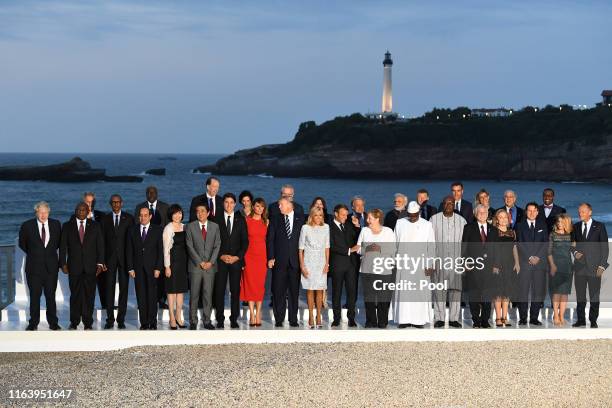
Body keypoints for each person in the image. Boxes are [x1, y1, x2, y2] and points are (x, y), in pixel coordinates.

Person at [59, 202, 105, 330]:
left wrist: (100, 263)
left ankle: (88, 323)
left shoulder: (96, 226)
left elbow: (100, 246)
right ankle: (74, 322)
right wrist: (63, 263)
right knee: (75, 295)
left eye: (83, 210)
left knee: (89, 296)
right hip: (74, 267)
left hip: (91, 267)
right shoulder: (67, 226)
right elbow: (63, 247)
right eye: (78, 210)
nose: (81, 212)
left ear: (87, 211)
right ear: (75, 211)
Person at [18, 201, 62, 331]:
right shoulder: (27, 225)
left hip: (51, 268)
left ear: (49, 212)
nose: (43, 215)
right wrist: (35, 253)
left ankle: (53, 323)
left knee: (50, 296)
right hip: (34, 268)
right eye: (40, 212)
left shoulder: (56, 224)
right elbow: (22, 243)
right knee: (34, 297)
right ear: (36, 212)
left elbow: (59, 243)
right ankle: (33, 323)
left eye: (45, 212)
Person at [393, 201, 436, 328]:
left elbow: (431, 246)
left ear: (419, 213)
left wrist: (430, 264)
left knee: (420, 292)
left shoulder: (427, 225)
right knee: (404, 291)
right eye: (410, 215)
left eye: (415, 215)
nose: (412, 217)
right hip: (404, 264)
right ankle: (403, 319)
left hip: (421, 264)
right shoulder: (400, 223)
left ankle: (419, 320)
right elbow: (395, 243)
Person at [266, 198, 305, 327]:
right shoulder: (275, 219)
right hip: (279, 261)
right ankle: (279, 318)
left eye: (281, 205)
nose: (279, 207)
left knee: (294, 292)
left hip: (295, 261)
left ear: (289, 205)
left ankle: (293, 319)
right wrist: (271, 257)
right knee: (278, 291)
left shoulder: (301, 219)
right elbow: (270, 240)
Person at [429, 196, 466, 328]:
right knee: (440, 289)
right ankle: (439, 318)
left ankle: (454, 319)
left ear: (454, 205)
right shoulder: (434, 219)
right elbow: (430, 241)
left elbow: (465, 242)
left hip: (457, 261)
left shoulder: (462, 221)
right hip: (439, 260)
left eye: (451, 203)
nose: (449, 205)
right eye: (446, 203)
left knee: (456, 290)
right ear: (442, 204)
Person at [355, 209, 395, 328]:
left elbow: (392, 250)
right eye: (367, 218)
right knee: (369, 296)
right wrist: (368, 249)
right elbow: (358, 248)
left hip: (384, 269)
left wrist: (378, 248)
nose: (367, 221)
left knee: (383, 296)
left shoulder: (388, 231)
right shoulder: (364, 231)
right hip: (367, 269)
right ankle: (370, 321)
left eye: (370, 219)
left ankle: (383, 321)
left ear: (377, 219)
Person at [572, 203, 609, 328]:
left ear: (590, 212)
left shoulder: (599, 226)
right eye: (579, 211)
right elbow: (573, 245)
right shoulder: (576, 227)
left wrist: (602, 266)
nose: (580, 214)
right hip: (580, 268)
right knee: (580, 295)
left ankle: (593, 320)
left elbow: (605, 247)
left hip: (595, 268)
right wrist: (575, 252)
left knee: (594, 295)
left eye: (583, 211)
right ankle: (581, 320)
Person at [215, 193, 249, 329]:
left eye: (231, 202)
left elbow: (245, 242)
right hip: (221, 260)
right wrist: (221, 255)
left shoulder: (241, 220)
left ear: (235, 204)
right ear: (223, 204)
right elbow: (213, 241)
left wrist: (237, 257)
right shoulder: (216, 219)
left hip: (236, 261)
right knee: (219, 291)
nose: (229, 205)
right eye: (226, 202)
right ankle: (220, 319)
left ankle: (234, 319)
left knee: (235, 291)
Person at [126, 207, 164, 330]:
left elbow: (160, 251)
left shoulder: (158, 230)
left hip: (153, 269)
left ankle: (153, 322)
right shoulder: (133, 230)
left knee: (152, 297)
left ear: (150, 216)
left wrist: (158, 268)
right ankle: (144, 322)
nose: (143, 217)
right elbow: (129, 250)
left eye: (145, 215)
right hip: (137, 269)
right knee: (141, 296)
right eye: (141, 215)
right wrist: (130, 268)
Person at [100, 194, 134, 329]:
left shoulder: (129, 218)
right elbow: (101, 241)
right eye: (113, 202)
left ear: (122, 203)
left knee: (124, 290)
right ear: (110, 204)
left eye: (118, 202)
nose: (116, 204)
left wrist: (131, 261)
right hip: (109, 260)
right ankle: (109, 319)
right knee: (109, 289)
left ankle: (121, 319)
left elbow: (131, 241)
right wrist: (101, 261)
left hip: (125, 259)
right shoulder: (105, 219)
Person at [185, 203, 221, 330]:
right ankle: (193, 321)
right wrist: (200, 262)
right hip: (195, 266)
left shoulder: (215, 227)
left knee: (207, 294)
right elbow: (189, 246)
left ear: (208, 212)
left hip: (210, 267)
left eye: (202, 211)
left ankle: (207, 320)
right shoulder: (190, 227)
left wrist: (211, 262)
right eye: (197, 211)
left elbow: (217, 245)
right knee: (194, 295)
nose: (200, 213)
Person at [461, 204, 497, 328]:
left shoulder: (493, 229)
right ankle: (476, 320)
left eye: (484, 212)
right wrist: (466, 263)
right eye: (480, 212)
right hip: (473, 266)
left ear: (488, 214)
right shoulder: (468, 228)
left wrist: (496, 265)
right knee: (474, 294)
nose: (482, 214)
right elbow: (464, 247)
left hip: (489, 267)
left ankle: (485, 320)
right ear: (476, 214)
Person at [134, 185, 169, 310]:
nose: (151, 195)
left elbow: (168, 226)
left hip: (161, 245)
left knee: (160, 277)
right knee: (144, 281)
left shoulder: (165, 207)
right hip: (144, 248)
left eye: (153, 192)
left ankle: (161, 300)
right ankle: (143, 302)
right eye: (149, 193)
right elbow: (137, 227)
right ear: (146, 194)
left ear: (157, 194)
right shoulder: (139, 207)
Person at [515, 202, 549, 326]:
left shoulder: (543, 225)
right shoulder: (519, 226)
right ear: (526, 212)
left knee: (538, 291)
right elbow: (519, 243)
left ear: (538, 212)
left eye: (534, 210)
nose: (532, 213)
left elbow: (545, 243)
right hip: (525, 263)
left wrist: (538, 257)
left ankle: (534, 317)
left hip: (539, 264)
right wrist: (529, 256)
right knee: (523, 291)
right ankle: (523, 318)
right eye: (529, 210)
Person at [299, 207, 330, 328]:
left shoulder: (326, 227)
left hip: (321, 263)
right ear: (311, 216)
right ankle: (311, 316)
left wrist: (327, 264)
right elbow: (300, 249)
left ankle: (319, 315)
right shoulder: (305, 228)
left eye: (321, 215)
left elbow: (327, 247)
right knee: (310, 289)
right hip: (309, 262)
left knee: (320, 290)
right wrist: (302, 265)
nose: (319, 218)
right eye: (316, 215)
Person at [329, 204, 359, 327]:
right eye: (343, 215)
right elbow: (331, 245)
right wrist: (349, 250)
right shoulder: (328, 227)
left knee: (352, 292)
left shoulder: (349, 225)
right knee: (337, 292)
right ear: (336, 214)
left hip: (351, 264)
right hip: (337, 264)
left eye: (346, 215)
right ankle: (336, 318)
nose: (345, 217)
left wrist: (357, 226)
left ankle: (351, 318)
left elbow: (357, 239)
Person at [241, 198, 269, 326]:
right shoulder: (247, 221)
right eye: (257, 206)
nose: (259, 209)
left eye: (262, 207)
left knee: (259, 285)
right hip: (249, 256)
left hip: (261, 256)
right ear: (253, 207)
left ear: (264, 209)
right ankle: (252, 313)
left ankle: (258, 313)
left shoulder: (266, 222)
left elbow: (269, 241)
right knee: (250, 284)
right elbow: (242, 240)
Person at [490, 209, 520, 327]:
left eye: (505, 217)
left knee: (507, 291)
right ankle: (498, 317)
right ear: (497, 219)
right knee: (498, 291)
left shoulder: (512, 232)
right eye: (500, 217)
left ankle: (504, 317)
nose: (503, 219)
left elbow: (514, 248)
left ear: (508, 219)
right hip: (497, 264)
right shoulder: (493, 232)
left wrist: (517, 263)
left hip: (509, 264)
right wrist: (493, 265)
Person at [163, 204, 189, 330]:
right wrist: (167, 266)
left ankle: (179, 316)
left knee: (180, 291)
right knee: (171, 291)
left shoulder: (185, 227)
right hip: (172, 263)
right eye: (175, 213)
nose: (178, 216)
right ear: (171, 215)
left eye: (179, 213)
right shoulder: (168, 228)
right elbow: (166, 249)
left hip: (183, 263)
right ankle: (172, 317)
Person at [547, 214, 574, 326]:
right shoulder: (553, 235)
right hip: (556, 266)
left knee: (564, 293)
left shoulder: (570, 235)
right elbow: (548, 252)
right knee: (556, 292)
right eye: (558, 221)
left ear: (566, 223)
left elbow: (574, 248)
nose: (559, 224)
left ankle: (562, 315)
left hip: (568, 266)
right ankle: (556, 315)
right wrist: (552, 265)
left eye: (562, 222)